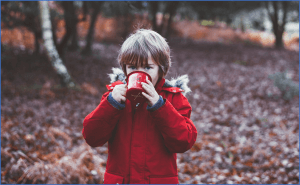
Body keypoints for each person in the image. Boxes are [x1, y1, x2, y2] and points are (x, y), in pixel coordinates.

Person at [82, 29, 197, 184]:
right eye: (132, 67)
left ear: (161, 69)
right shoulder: (114, 96)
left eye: (147, 67)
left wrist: (159, 106)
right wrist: (111, 104)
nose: (139, 72)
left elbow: (184, 141)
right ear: (124, 68)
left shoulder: (173, 98)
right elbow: (92, 137)